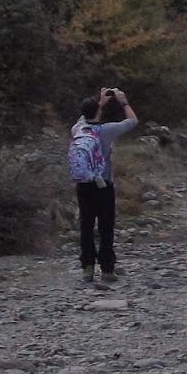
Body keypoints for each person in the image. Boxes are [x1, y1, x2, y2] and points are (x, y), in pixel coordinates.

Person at [68, 87, 138, 283]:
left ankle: (87, 268)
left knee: (86, 225)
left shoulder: (77, 129)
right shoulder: (107, 130)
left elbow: (86, 116)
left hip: (83, 183)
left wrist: (99, 102)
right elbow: (133, 121)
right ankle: (107, 269)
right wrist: (122, 100)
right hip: (103, 184)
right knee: (106, 226)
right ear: (98, 112)